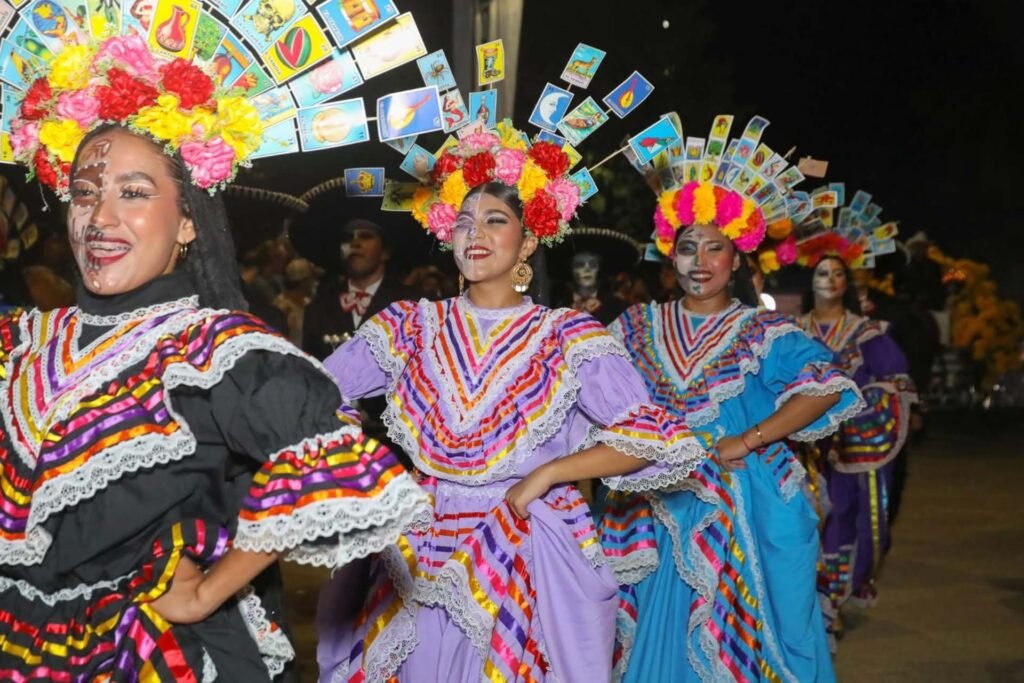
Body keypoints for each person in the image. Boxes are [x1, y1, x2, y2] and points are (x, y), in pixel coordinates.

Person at [0, 31, 429, 681]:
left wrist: (209, 586)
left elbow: (340, 455)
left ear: (189, 221)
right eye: (85, 193)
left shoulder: (215, 348)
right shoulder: (24, 338)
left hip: (145, 656)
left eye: (134, 193)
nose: (100, 217)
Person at [316, 123, 713, 682]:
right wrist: (360, 460)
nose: (474, 234)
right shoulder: (409, 325)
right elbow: (310, 393)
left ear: (529, 241)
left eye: (495, 220)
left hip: (522, 546)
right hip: (416, 546)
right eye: (462, 221)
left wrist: (548, 475)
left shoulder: (567, 336)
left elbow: (654, 438)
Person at [601, 133, 864, 682]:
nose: (700, 262)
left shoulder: (762, 331)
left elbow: (828, 386)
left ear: (737, 255)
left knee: (746, 639)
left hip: (743, 504)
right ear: (670, 253)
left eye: (714, 246)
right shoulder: (634, 326)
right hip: (654, 501)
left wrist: (748, 440)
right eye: (688, 247)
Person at [800, 254, 917, 625]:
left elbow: (895, 381)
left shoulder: (867, 332)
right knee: (810, 518)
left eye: (838, 273)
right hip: (803, 444)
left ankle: (838, 590)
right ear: (810, 280)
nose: (830, 280)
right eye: (822, 272)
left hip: (855, 441)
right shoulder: (792, 330)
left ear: (847, 283)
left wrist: (853, 412)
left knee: (867, 518)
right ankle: (820, 601)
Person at [302, 218, 413, 359]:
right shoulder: (318, 309)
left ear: (385, 253)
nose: (355, 243)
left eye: (366, 236)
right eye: (348, 238)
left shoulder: (413, 305)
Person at [273, 257, 319, 346]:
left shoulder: (308, 303)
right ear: (303, 282)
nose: (312, 282)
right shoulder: (281, 306)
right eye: (310, 279)